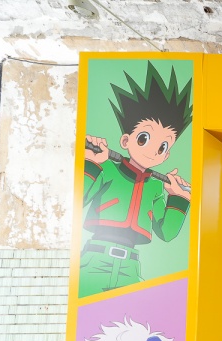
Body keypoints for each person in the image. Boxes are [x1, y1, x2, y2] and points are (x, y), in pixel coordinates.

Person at [81, 61, 194, 297]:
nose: (153, 151)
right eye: (144, 138)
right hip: (95, 260)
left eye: (162, 147)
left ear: (166, 155)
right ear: (125, 141)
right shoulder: (107, 169)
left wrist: (179, 198)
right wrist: (91, 162)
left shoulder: (156, 187)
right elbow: (80, 199)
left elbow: (166, 233)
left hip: (131, 267)